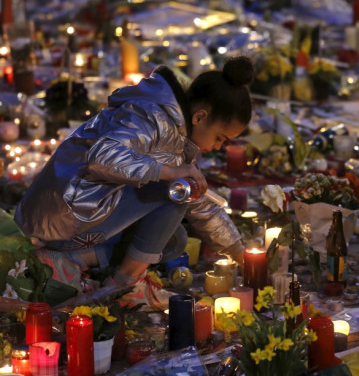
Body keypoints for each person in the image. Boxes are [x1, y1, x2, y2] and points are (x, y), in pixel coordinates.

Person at [14, 56, 254, 310]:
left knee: (173, 240)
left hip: (84, 215)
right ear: (200, 117)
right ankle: (123, 286)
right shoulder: (149, 116)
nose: (217, 146)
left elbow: (200, 203)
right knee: (175, 197)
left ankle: (70, 260)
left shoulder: (176, 131)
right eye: (220, 138)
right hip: (64, 214)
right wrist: (169, 172)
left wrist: (237, 250)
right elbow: (101, 157)